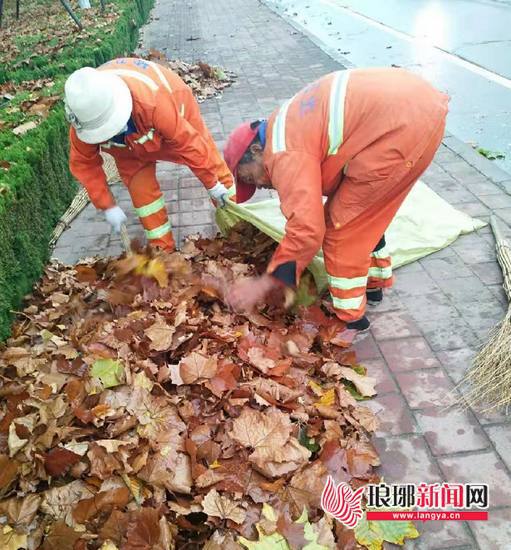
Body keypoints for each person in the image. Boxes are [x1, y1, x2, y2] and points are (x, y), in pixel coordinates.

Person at [223, 68, 448, 331]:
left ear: (256, 149)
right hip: (415, 110)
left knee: (340, 226)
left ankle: (350, 318)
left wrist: (265, 283)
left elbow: (307, 229)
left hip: (400, 126)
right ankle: (374, 286)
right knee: (365, 215)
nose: (259, 186)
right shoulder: (283, 125)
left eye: (249, 178)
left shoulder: (283, 152)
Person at [65, 57, 234, 251]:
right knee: (144, 197)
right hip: (128, 151)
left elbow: (189, 144)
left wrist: (212, 183)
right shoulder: (84, 122)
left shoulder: (152, 101)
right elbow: (84, 164)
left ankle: (238, 223)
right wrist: (107, 205)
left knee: (211, 165)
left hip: (177, 110)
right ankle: (163, 250)